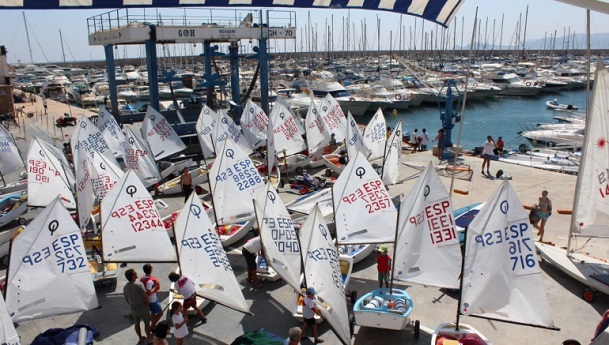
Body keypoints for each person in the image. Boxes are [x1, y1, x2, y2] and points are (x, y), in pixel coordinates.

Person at [123, 268, 153, 344]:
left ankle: (140, 338)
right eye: (135, 273)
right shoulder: (139, 285)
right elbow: (145, 296)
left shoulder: (125, 287)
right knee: (146, 323)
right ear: (132, 276)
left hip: (133, 308)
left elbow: (126, 299)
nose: (136, 273)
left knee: (137, 324)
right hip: (142, 307)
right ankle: (149, 339)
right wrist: (147, 305)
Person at [140, 264, 162, 332]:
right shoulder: (150, 281)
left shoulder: (142, 278)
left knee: (153, 313)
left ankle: (153, 325)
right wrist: (155, 287)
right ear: (151, 270)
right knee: (160, 313)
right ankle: (152, 326)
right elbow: (149, 293)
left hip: (147, 300)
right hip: (152, 300)